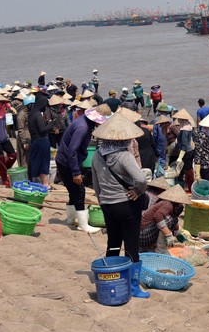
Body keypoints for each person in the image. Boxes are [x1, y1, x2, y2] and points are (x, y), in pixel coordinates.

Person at [91, 113, 149, 298]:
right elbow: (141, 178)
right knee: (131, 245)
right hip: (126, 204)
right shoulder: (124, 155)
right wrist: (138, 191)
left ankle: (110, 277)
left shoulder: (98, 156)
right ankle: (133, 287)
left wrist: (104, 203)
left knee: (113, 243)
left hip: (108, 205)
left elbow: (96, 186)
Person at [56, 108, 107, 232]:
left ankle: (71, 219)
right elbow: (72, 150)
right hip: (67, 162)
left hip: (65, 160)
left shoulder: (83, 121)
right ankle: (83, 225)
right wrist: (76, 172)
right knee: (79, 192)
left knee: (72, 191)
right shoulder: (83, 128)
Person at [140, 184, 190, 254]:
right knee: (168, 219)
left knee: (171, 220)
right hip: (142, 235)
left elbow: (174, 222)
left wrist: (177, 234)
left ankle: (153, 247)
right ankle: (161, 250)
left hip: (144, 233)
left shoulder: (168, 205)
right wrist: (168, 234)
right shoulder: (167, 204)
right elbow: (157, 216)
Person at [27, 95, 57, 186]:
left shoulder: (31, 113)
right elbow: (42, 130)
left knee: (36, 162)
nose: (46, 107)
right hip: (42, 141)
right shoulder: (38, 114)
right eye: (45, 105)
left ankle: (34, 182)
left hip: (35, 141)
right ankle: (45, 184)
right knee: (43, 163)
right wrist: (52, 123)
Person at [173, 109, 195, 191]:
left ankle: (190, 188)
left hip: (187, 152)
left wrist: (180, 157)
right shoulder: (189, 126)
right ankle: (190, 186)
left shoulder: (185, 130)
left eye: (178, 119)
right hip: (190, 151)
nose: (177, 120)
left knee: (188, 171)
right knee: (188, 170)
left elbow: (185, 145)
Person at [16, 94, 34, 171]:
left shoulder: (29, 113)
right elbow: (20, 129)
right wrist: (24, 142)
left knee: (30, 158)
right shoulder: (21, 114)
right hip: (24, 137)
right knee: (24, 159)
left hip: (29, 136)